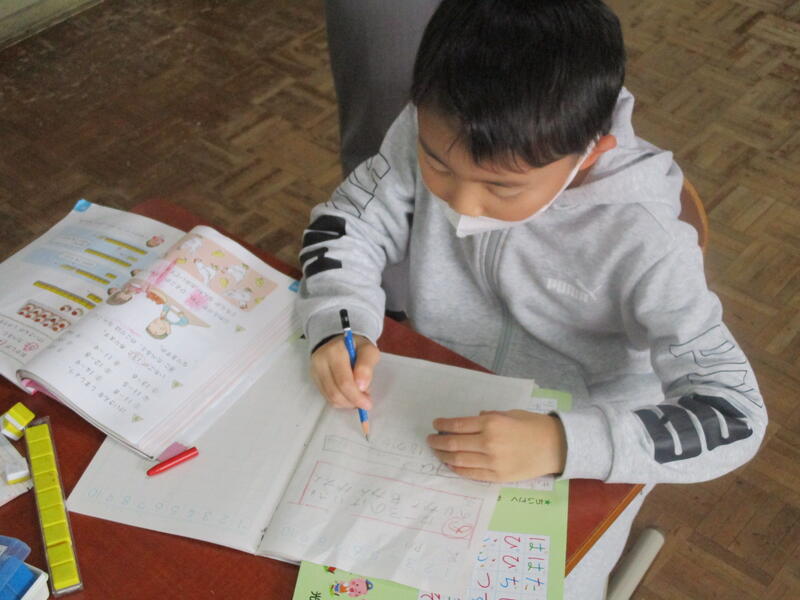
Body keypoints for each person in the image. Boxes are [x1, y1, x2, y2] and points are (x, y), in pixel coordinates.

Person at [301, 1, 767, 597]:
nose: (462, 204)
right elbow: (349, 224)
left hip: (582, 450)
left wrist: (561, 442)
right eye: (437, 166)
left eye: (501, 187)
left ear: (590, 154)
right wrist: (339, 320)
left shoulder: (645, 239)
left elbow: (737, 414)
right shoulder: (433, 123)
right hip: (439, 394)